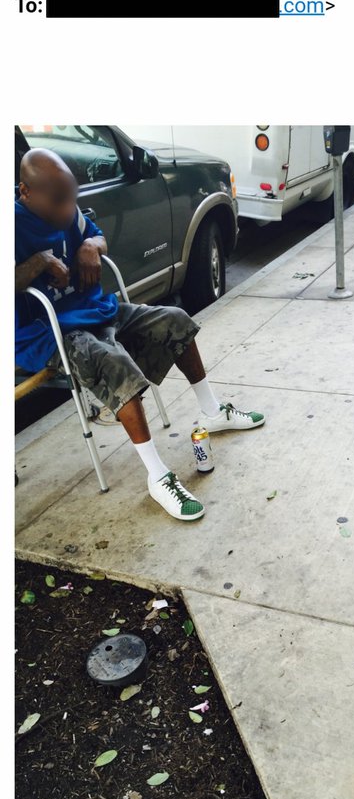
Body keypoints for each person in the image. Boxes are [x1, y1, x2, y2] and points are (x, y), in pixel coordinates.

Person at [15, 149, 266, 522]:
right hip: (46, 332)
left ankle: (213, 411)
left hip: (97, 311)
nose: (70, 210)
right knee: (115, 364)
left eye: (73, 198)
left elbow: (98, 236)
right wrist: (38, 263)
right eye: (59, 201)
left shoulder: (69, 213)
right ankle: (158, 475)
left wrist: (90, 245)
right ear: (26, 193)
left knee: (175, 319)